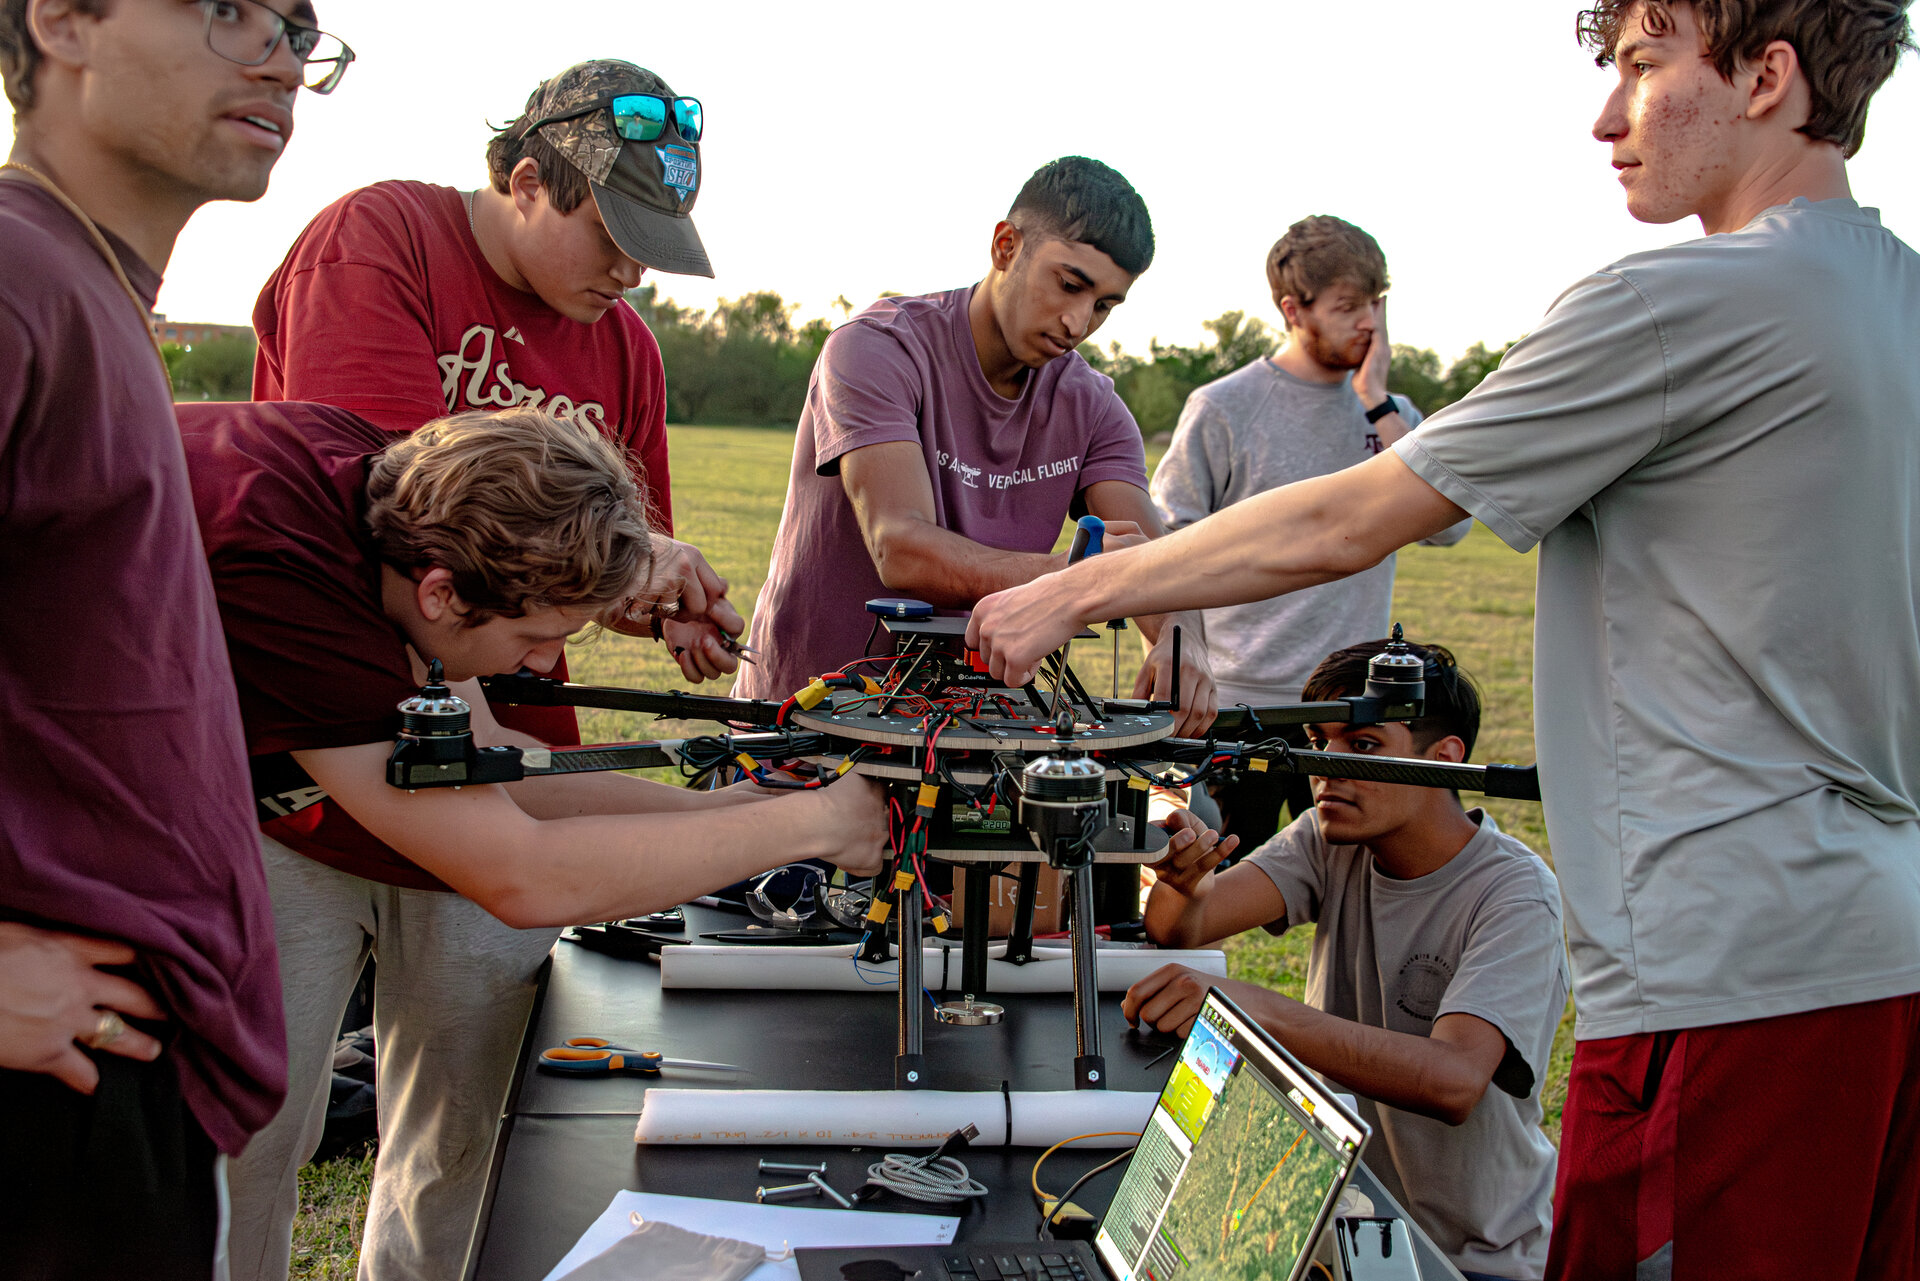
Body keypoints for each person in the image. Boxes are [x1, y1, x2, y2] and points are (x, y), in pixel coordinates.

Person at [971, 3, 1920, 1276]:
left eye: (1642, 68)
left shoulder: (1685, 301)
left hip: (1727, 984)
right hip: (1877, 958)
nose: (1605, 116)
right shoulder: (1893, 294)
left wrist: (1070, 595)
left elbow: (1356, 516)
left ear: (1766, 74)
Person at [175, 399, 886, 1281]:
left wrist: (738, 807)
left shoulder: (376, 487)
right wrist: (817, 822)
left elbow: (492, 767)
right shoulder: (288, 586)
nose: (540, 663)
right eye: (536, 635)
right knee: (218, 1155)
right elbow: (522, 875)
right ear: (442, 593)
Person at [0, 0, 351, 1276]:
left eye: (301, 29)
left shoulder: (84, 287)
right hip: (50, 1090)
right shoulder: (18, 274)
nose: (279, 58)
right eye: (227, 11)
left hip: (127, 1078)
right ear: (66, 21)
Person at [252, 57, 744, 717]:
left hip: (521, 715)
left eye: (651, 248)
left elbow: (588, 577)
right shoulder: (383, 239)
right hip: (357, 713)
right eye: (609, 237)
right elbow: (398, 521)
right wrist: (633, 560)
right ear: (529, 183)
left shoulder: (629, 348)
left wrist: (657, 606)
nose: (631, 273)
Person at [1124, 640, 1566, 1281]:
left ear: (1443, 761)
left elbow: (1454, 1081)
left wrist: (1253, 1013)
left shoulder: (1516, 895)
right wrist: (1184, 882)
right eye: (1317, 740)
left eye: (1362, 746)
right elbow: (1180, 928)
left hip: (1472, 1259)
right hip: (1343, 1230)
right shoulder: (1330, 838)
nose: (1325, 767)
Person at [737, 155, 1218, 736]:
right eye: (1069, 284)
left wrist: (1181, 638)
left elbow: (1149, 552)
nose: (1078, 321)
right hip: (811, 718)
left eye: (1105, 305)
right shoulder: (877, 348)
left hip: (974, 733)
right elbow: (901, 548)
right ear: (1006, 246)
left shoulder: (1094, 407)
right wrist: (1076, 577)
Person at [1152, 217, 1469, 846]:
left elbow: (1449, 530)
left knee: (1361, 873)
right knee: (1225, 878)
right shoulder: (1225, 406)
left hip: (1357, 704)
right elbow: (1169, 536)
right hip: (1244, 702)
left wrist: (1375, 399)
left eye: (1376, 303)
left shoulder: (1394, 414)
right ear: (1293, 309)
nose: (1369, 324)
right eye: (1349, 306)